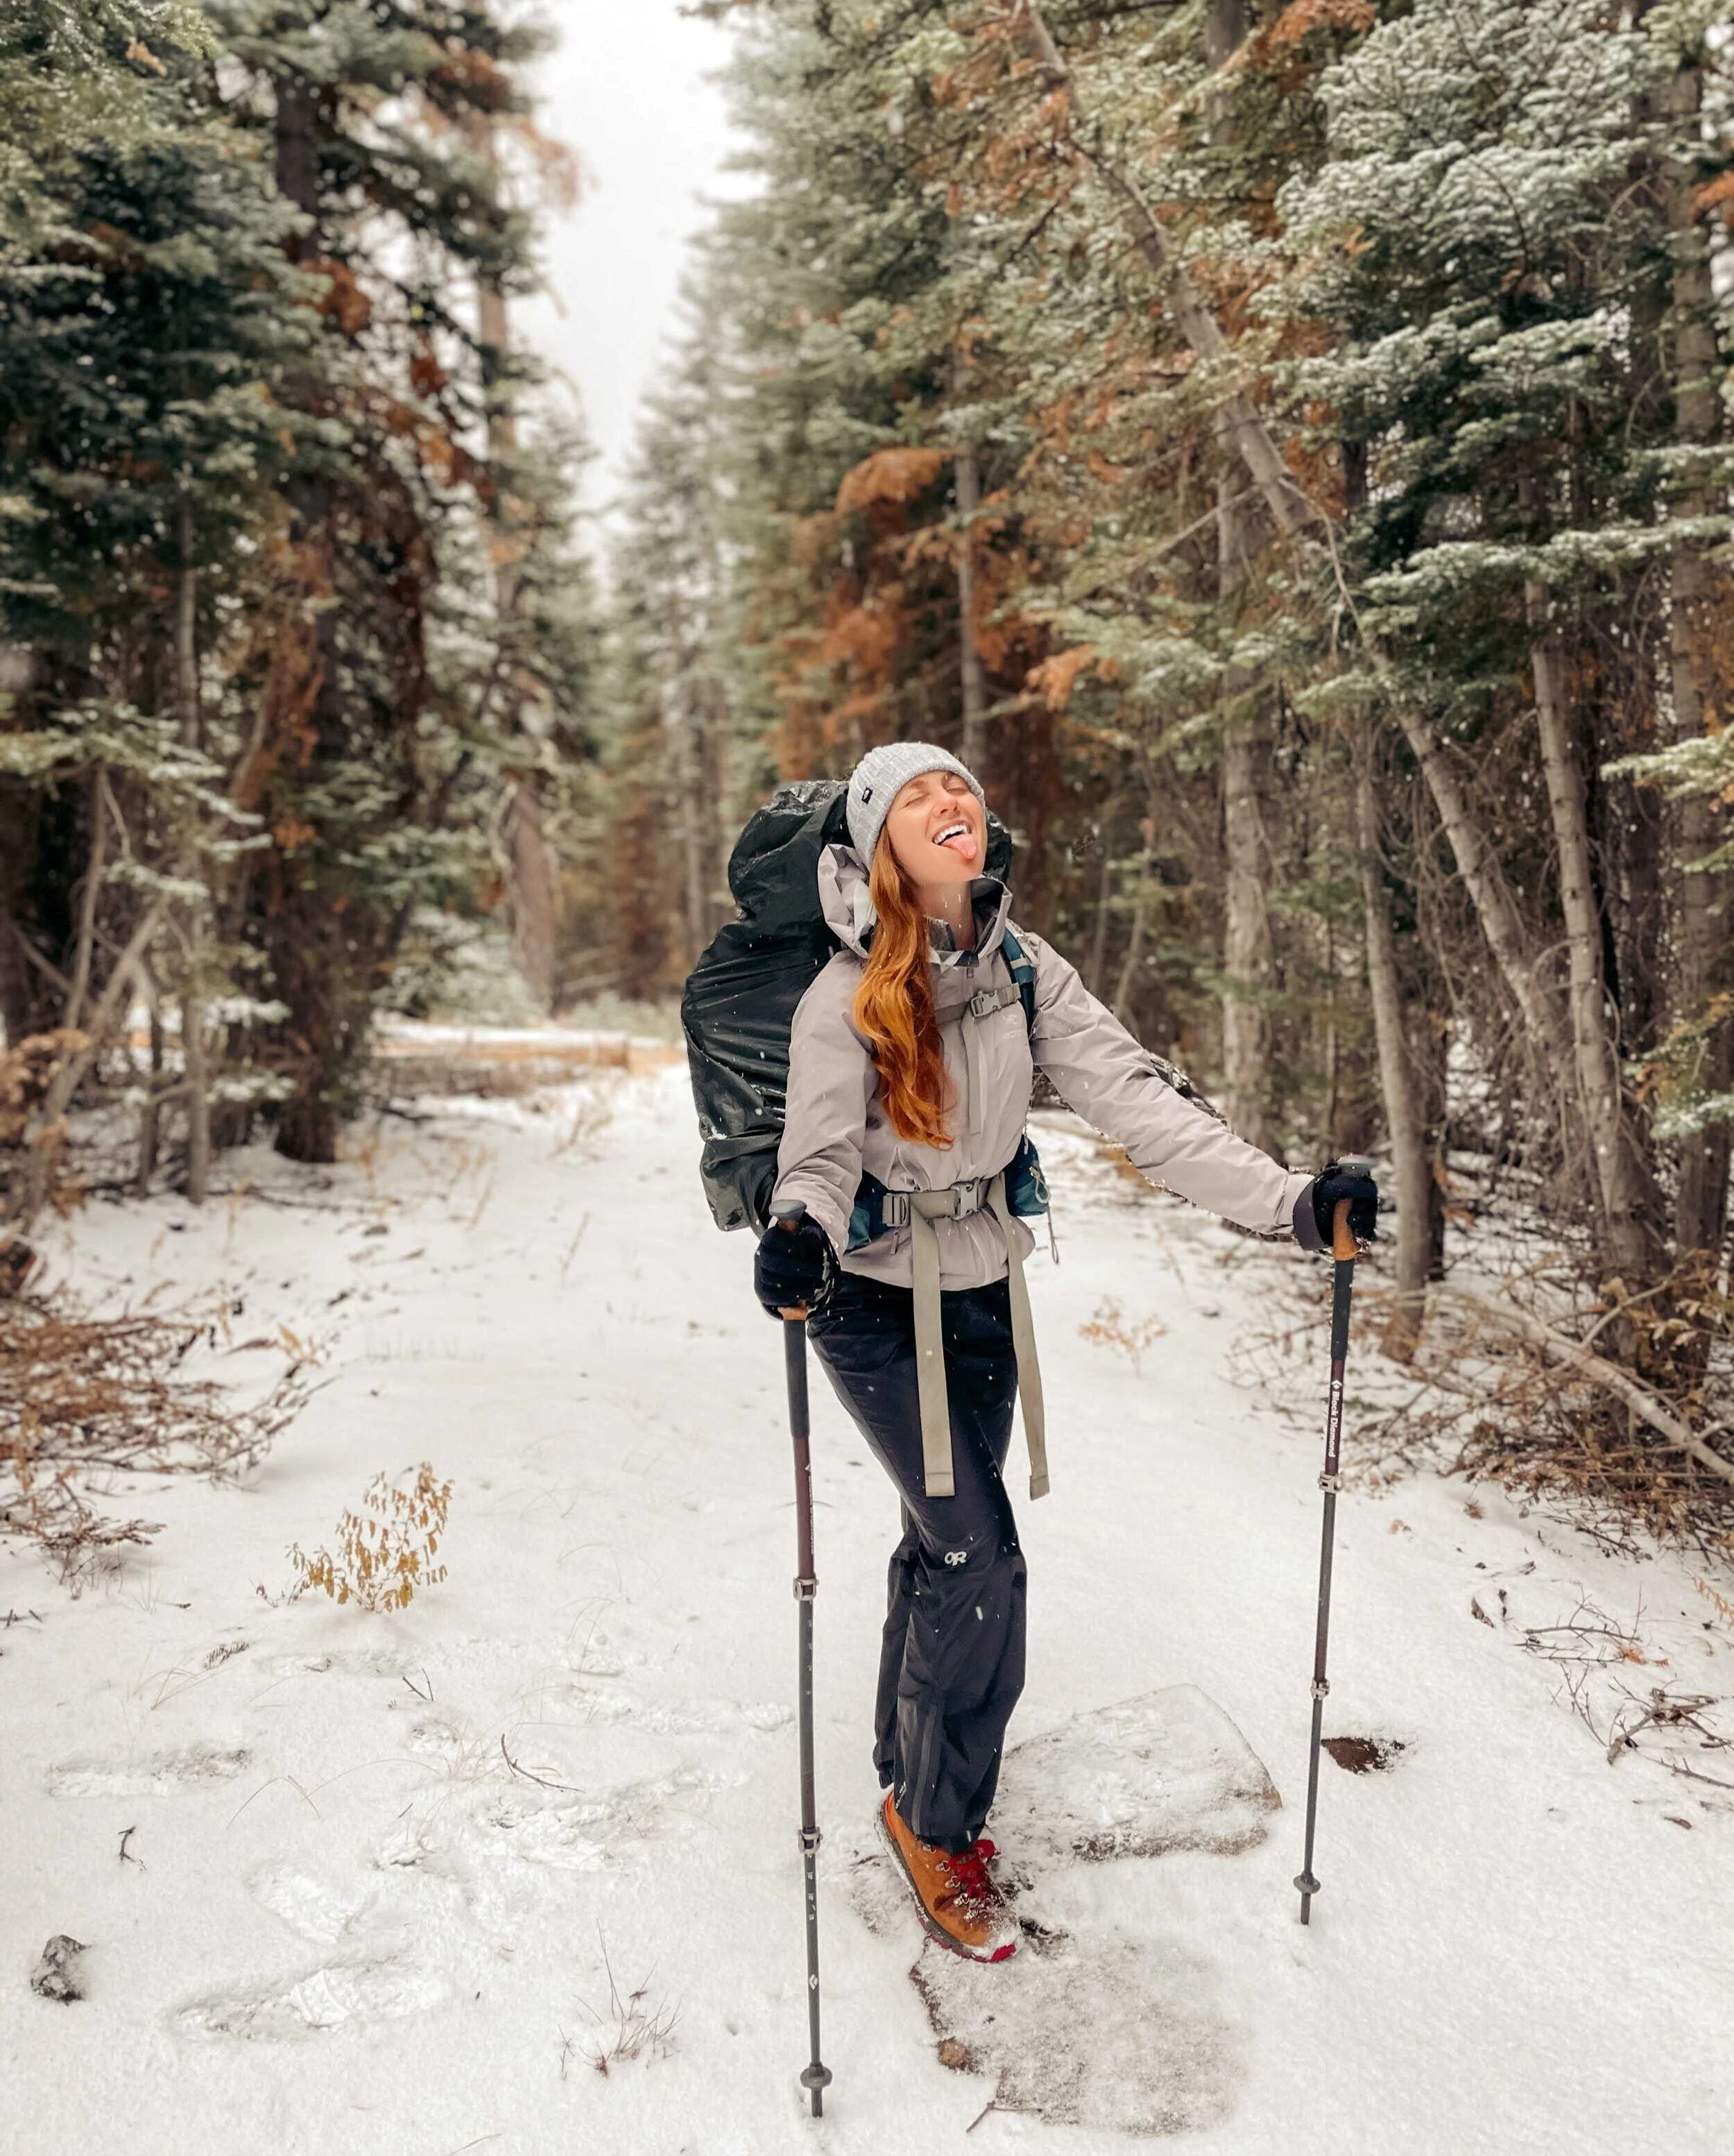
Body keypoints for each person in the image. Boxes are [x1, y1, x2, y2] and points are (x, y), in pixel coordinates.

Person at [751, 742, 1376, 1963]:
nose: (954, 802)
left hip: (982, 1289)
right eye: (920, 794)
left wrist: (1293, 1204)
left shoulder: (1029, 973)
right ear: (880, 846)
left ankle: (903, 1764)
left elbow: (1145, 1106)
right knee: (980, 1556)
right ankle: (935, 1823)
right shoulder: (844, 998)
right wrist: (797, 1236)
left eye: (965, 788)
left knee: (943, 1539)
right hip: (870, 1304)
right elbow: (819, 1161)